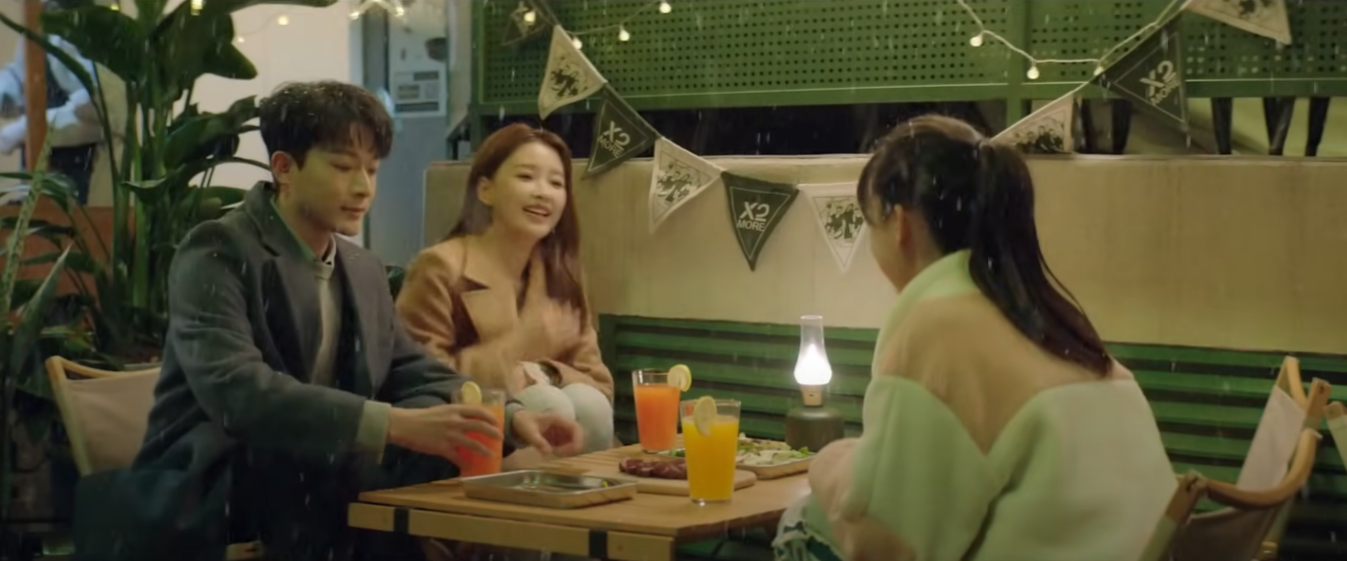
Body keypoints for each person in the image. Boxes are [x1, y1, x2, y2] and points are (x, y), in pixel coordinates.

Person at [72, 82, 583, 561]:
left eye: (372, 170)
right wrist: (398, 425)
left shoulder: (360, 267)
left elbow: (412, 368)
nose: (363, 188)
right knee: (374, 459)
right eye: (342, 167)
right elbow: (238, 392)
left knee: (442, 435)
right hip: (223, 479)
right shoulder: (219, 250)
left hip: (319, 475)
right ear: (284, 167)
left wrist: (508, 417)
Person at [773, 116, 1176, 561]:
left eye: (871, 224)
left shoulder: (939, 328)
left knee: (802, 523)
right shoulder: (1053, 321)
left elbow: (885, 540)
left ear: (900, 225)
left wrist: (828, 465)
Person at [397, 123, 614, 458]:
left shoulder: (564, 275)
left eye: (556, 183)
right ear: (486, 190)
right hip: (462, 438)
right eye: (526, 177)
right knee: (548, 404)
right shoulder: (440, 267)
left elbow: (600, 384)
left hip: (563, 439)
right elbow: (418, 379)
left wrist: (543, 372)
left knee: (591, 406)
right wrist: (513, 347)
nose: (543, 192)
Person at [0, 0, 126, 206]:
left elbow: (104, 108)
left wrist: (28, 128)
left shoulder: (92, 21)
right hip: (40, 174)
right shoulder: (43, 14)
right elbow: (22, 76)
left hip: (82, 178)